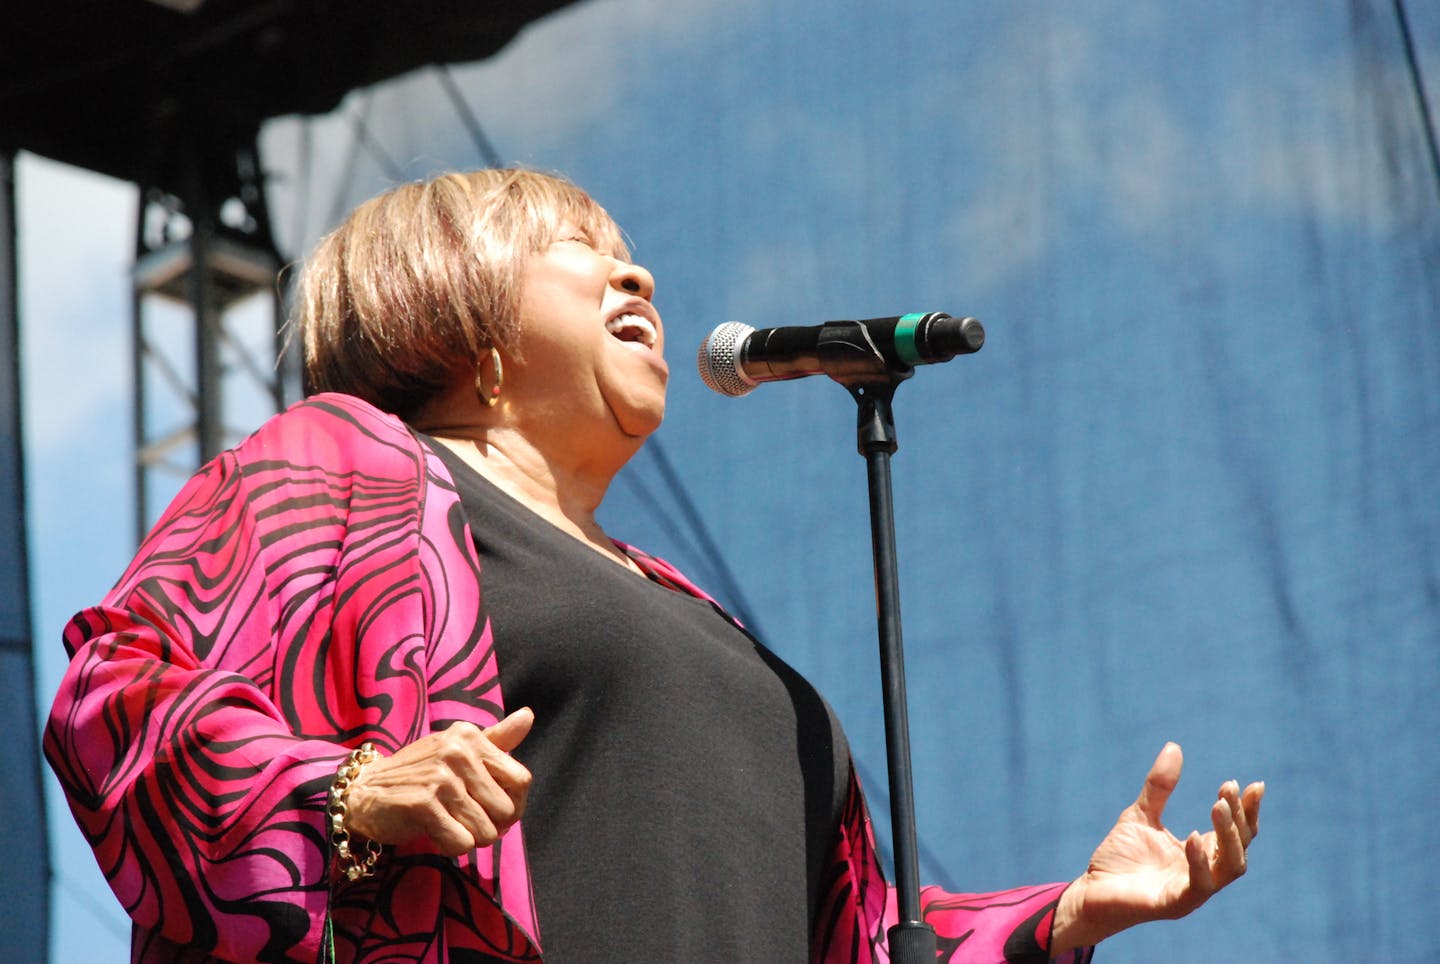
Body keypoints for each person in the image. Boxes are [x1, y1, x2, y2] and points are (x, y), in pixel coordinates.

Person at [45, 168, 1263, 963]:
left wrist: (1054, 922)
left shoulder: (691, 612)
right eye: (581, 251)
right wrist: (349, 793)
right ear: (453, 316)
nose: (640, 277)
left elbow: (842, 935)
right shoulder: (343, 464)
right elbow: (118, 693)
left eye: (634, 255)